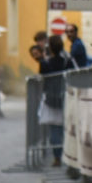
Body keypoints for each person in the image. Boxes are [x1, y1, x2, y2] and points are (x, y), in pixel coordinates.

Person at [37, 35, 70, 166]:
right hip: (65, 95)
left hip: (51, 98)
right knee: (66, 128)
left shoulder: (47, 63)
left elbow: (43, 75)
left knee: (55, 129)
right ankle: (67, 155)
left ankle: (57, 157)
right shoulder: (66, 61)